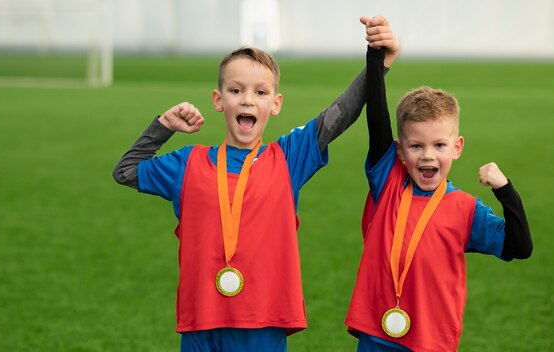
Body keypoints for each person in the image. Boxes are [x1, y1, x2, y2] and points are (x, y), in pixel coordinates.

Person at [112, 17, 399, 352]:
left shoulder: (288, 159)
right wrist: (164, 125)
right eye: (236, 90)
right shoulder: (188, 163)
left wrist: (381, 61)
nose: (248, 100)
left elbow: (341, 113)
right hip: (201, 324)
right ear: (218, 100)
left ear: (275, 104)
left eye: (260, 92)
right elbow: (127, 170)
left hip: (263, 325)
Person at [345, 18, 533, 351]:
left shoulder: (466, 209)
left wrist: (505, 190)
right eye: (416, 146)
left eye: (439, 146)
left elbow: (520, 248)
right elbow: (376, 118)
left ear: (457, 147)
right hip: (377, 331)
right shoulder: (388, 181)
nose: (427, 156)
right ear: (400, 151)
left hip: (432, 342)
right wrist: (376, 55)